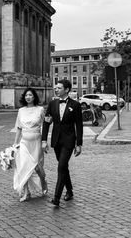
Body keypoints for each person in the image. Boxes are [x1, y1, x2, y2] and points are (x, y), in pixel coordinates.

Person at [41, 79, 83, 208]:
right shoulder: (52, 104)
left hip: (69, 141)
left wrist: (79, 144)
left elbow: (79, 125)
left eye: (59, 88)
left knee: (61, 167)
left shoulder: (75, 105)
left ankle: (56, 198)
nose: (56, 89)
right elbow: (47, 123)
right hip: (56, 141)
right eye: (56, 88)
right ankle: (69, 190)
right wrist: (44, 140)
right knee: (63, 167)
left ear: (67, 90)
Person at [12, 88, 47, 202]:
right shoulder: (21, 111)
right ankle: (26, 193)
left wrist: (45, 141)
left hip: (36, 142)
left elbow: (45, 126)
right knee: (24, 167)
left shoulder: (40, 109)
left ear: (34, 97)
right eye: (26, 95)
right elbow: (18, 128)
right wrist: (15, 143)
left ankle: (43, 181)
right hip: (24, 143)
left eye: (30, 95)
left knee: (37, 168)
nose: (28, 97)